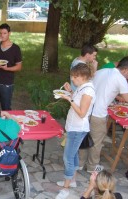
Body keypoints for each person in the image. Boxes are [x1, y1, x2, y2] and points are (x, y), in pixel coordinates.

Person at [79, 56, 128, 173]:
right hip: (99, 113)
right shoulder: (120, 78)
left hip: (87, 109)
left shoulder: (101, 71)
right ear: (126, 69)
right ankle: (92, 167)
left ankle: (80, 163)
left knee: (83, 136)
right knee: (96, 141)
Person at [55, 63, 96, 199]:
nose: (72, 79)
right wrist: (70, 92)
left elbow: (82, 113)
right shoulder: (81, 87)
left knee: (68, 157)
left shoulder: (88, 91)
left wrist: (69, 98)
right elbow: (77, 101)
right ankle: (72, 181)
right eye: (72, 76)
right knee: (74, 155)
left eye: (75, 77)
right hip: (73, 127)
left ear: (83, 77)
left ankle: (66, 189)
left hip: (78, 129)